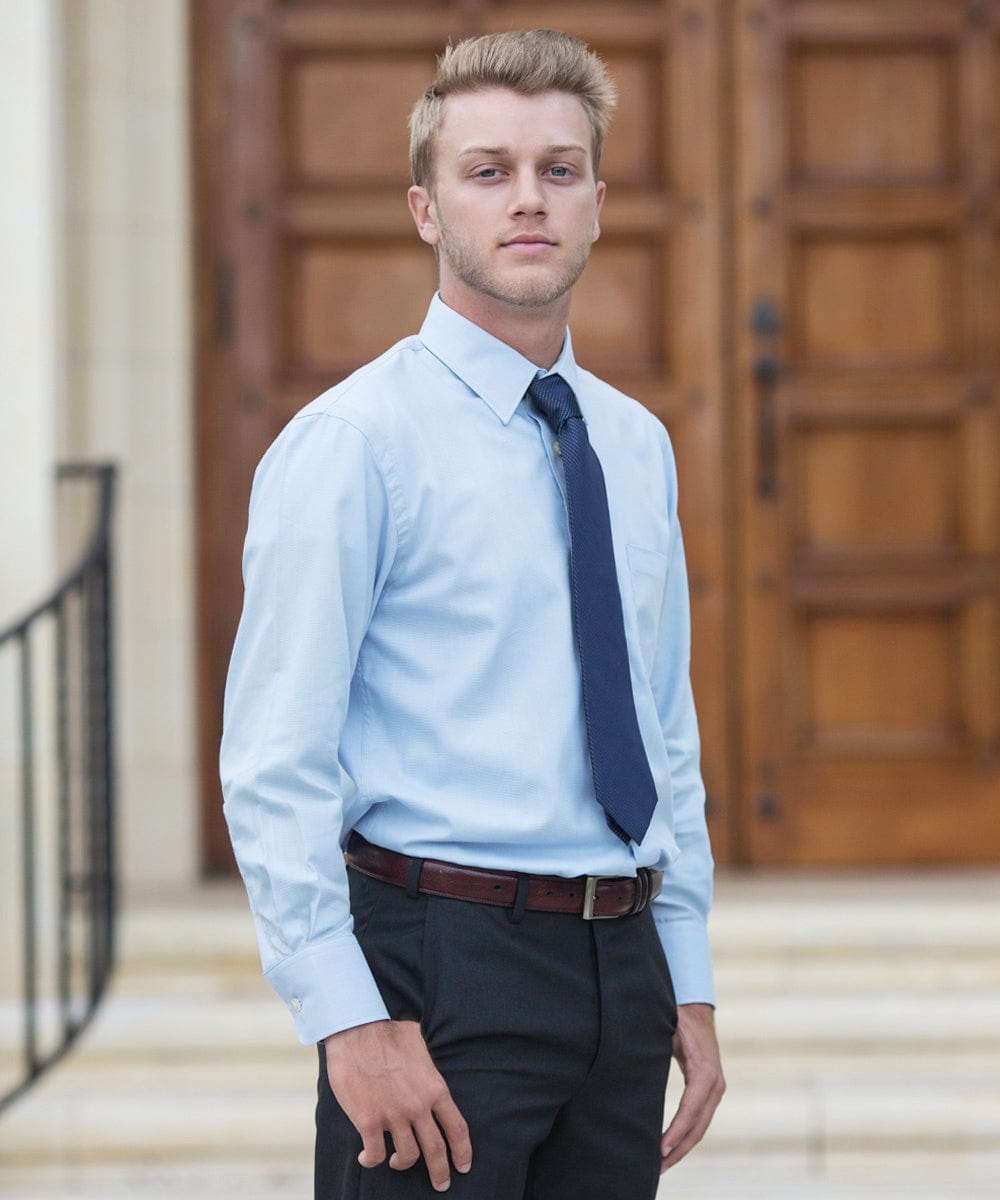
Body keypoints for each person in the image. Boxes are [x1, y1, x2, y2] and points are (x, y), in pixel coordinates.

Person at [221, 28, 724, 1200]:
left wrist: (683, 975)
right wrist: (348, 1018)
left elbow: (662, 726)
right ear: (425, 208)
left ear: (598, 204)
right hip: (436, 973)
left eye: (558, 170)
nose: (528, 200)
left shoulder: (634, 446)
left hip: (621, 968)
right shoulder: (354, 447)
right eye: (487, 171)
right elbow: (273, 761)